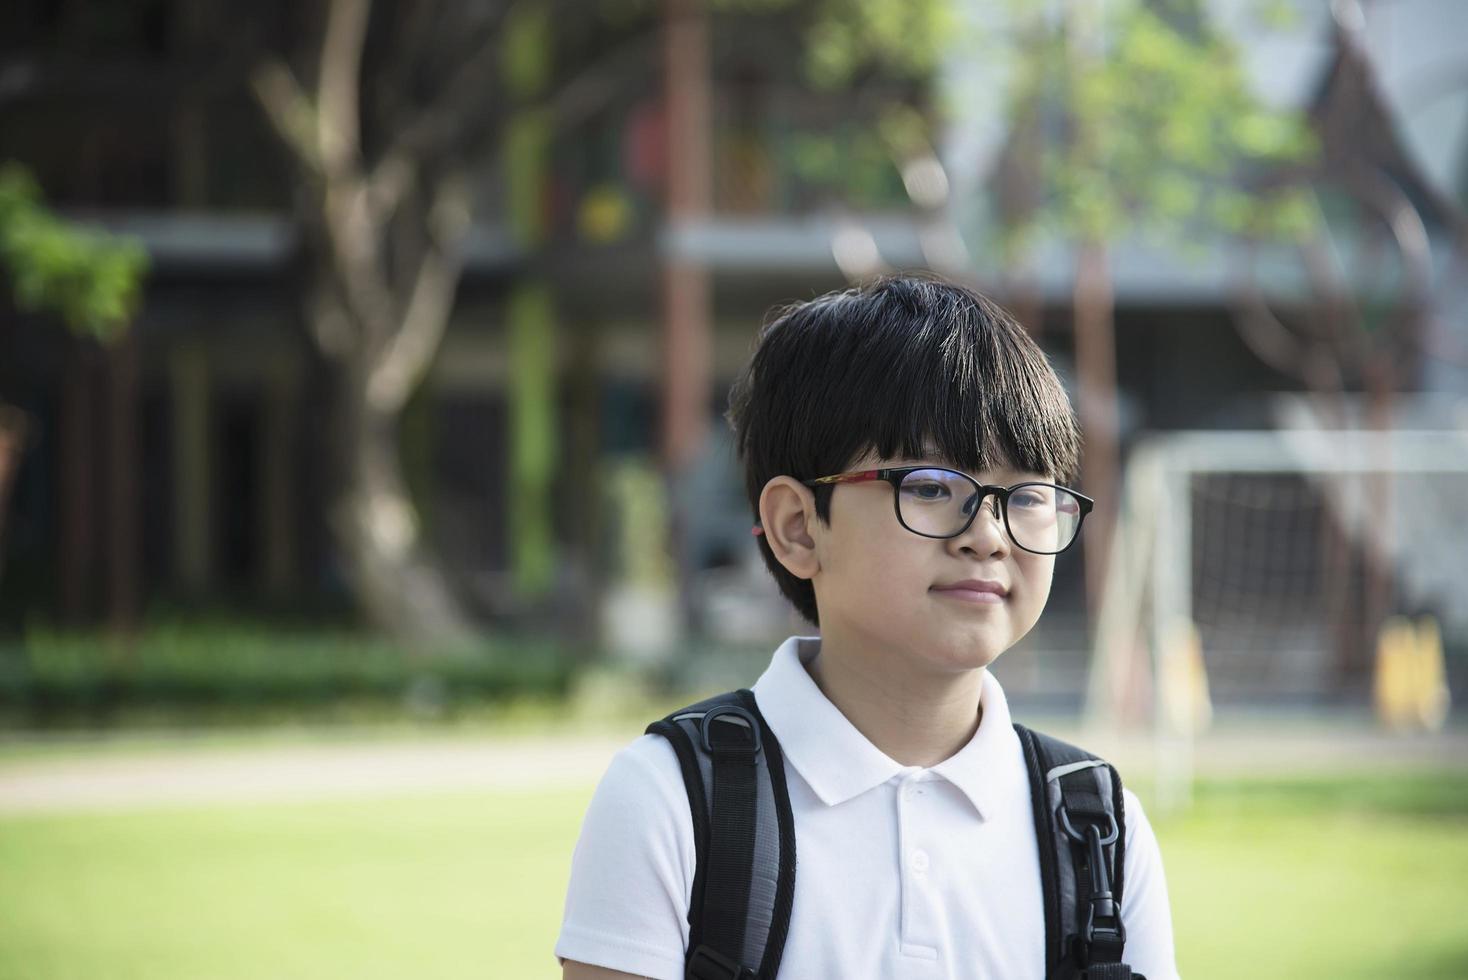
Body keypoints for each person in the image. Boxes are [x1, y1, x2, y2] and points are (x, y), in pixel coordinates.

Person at [556, 274, 1178, 979]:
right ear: (798, 528)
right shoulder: (675, 798)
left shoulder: (1095, 827)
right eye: (932, 488)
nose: (989, 535)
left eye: (1029, 494)